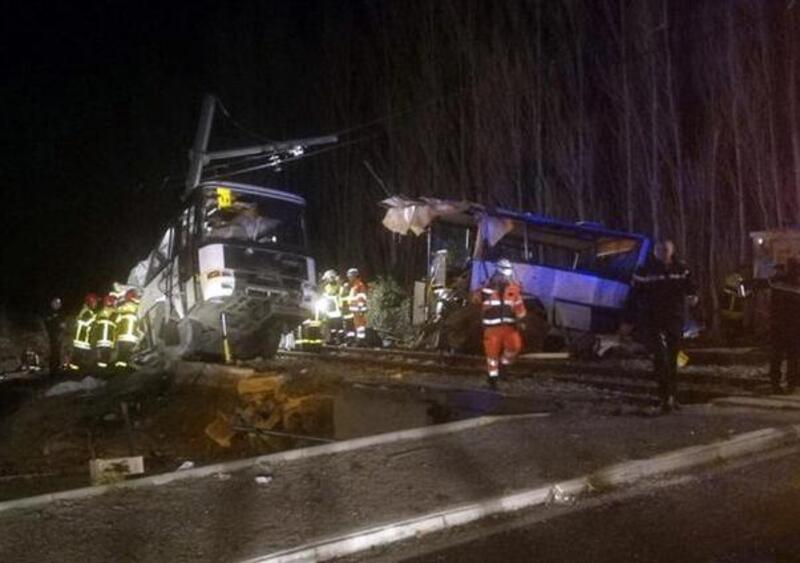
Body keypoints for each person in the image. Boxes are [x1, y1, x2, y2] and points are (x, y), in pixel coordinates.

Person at [629, 240, 698, 413]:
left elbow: (690, 287)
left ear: (672, 250)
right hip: (653, 319)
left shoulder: (681, 268)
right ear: (654, 251)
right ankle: (664, 397)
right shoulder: (644, 270)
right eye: (660, 250)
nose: (663, 253)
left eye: (666, 249)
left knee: (674, 358)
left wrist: (692, 297)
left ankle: (672, 396)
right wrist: (629, 320)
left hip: (674, 318)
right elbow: (634, 295)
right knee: (660, 357)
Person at [473, 258, 527, 389]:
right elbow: (475, 299)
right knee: (492, 355)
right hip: (492, 329)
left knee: (515, 347)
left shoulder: (514, 290)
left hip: (509, 327)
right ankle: (493, 379)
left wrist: (522, 320)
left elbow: (519, 306)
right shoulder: (487, 289)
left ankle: (503, 366)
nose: (504, 278)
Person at [768, 258, 800, 393]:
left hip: (778, 325)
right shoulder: (796, 284)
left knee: (777, 356)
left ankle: (776, 383)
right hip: (793, 326)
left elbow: (773, 303)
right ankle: (791, 383)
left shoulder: (777, 283)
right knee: (792, 356)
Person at [68, 293, 99, 371]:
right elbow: (85, 322)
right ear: (91, 302)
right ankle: (72, 374)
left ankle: (75, 372)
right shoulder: (86, 312)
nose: (96, 304)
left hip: (83, 339)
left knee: (79, 359)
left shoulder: (87, 312)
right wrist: (94, 319)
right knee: (76, 359)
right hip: (81, 339)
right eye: (95, 302)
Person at [114, 289, 141, 369]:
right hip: (133, 338)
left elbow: (117, 320)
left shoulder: (122, 308)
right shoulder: (138, 307)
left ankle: (119, 372)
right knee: (130, 355)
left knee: (121, 357)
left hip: (122, 338)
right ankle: (128, 370)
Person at [92, 294, 118, 369]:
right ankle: (103, 373)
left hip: (100, 340)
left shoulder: (100, 312)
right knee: (105, 358)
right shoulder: (113, 311)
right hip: (107, 340)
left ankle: (100, 371)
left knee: (102, 358)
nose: (115, 304)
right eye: (114, 302)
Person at [318, 270, 344, 344]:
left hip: (337, 309)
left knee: (339, 326)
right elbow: (324, 294)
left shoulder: (339, 286)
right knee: (331, 326)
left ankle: (341, 340)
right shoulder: (326, 286)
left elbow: (338, 295)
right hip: (330, 310)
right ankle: (332, 339)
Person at [345, 268, 369, 345]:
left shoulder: (359, 285)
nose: (349, 278)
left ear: (354, 276)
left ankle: (361, 341)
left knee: (360, 326)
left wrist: (360, 309)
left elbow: (362, 298)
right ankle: (355, 341)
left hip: (358, 310)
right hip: (354, 310)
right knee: (355, 325)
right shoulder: (354, 286)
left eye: (350, 276)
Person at [45, 297, 66, 375]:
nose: (58, 305)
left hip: (58, 335)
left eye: (59, 303)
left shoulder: (60, 313)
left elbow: (62, 323)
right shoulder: (50, 313)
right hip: (52, 335)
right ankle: (53, 369)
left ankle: (56, 368)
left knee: (58, 352)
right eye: (56, 303)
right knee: (53, 352)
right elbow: (48, 322)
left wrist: (62, 326)